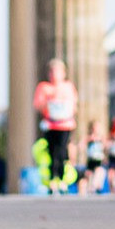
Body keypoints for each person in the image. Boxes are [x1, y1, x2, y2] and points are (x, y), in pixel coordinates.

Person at [33, 59, 79, 194]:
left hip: (65, 124)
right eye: (52, 72)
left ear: (63, 73)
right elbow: (38, 104)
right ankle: (53, 180)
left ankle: (63, 179)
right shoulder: (44, 87)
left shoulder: (68, 86)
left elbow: (74, 105)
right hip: (51, 124)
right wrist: (50, 102)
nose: (55, 75)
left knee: (62, 151)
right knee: (52, 152)